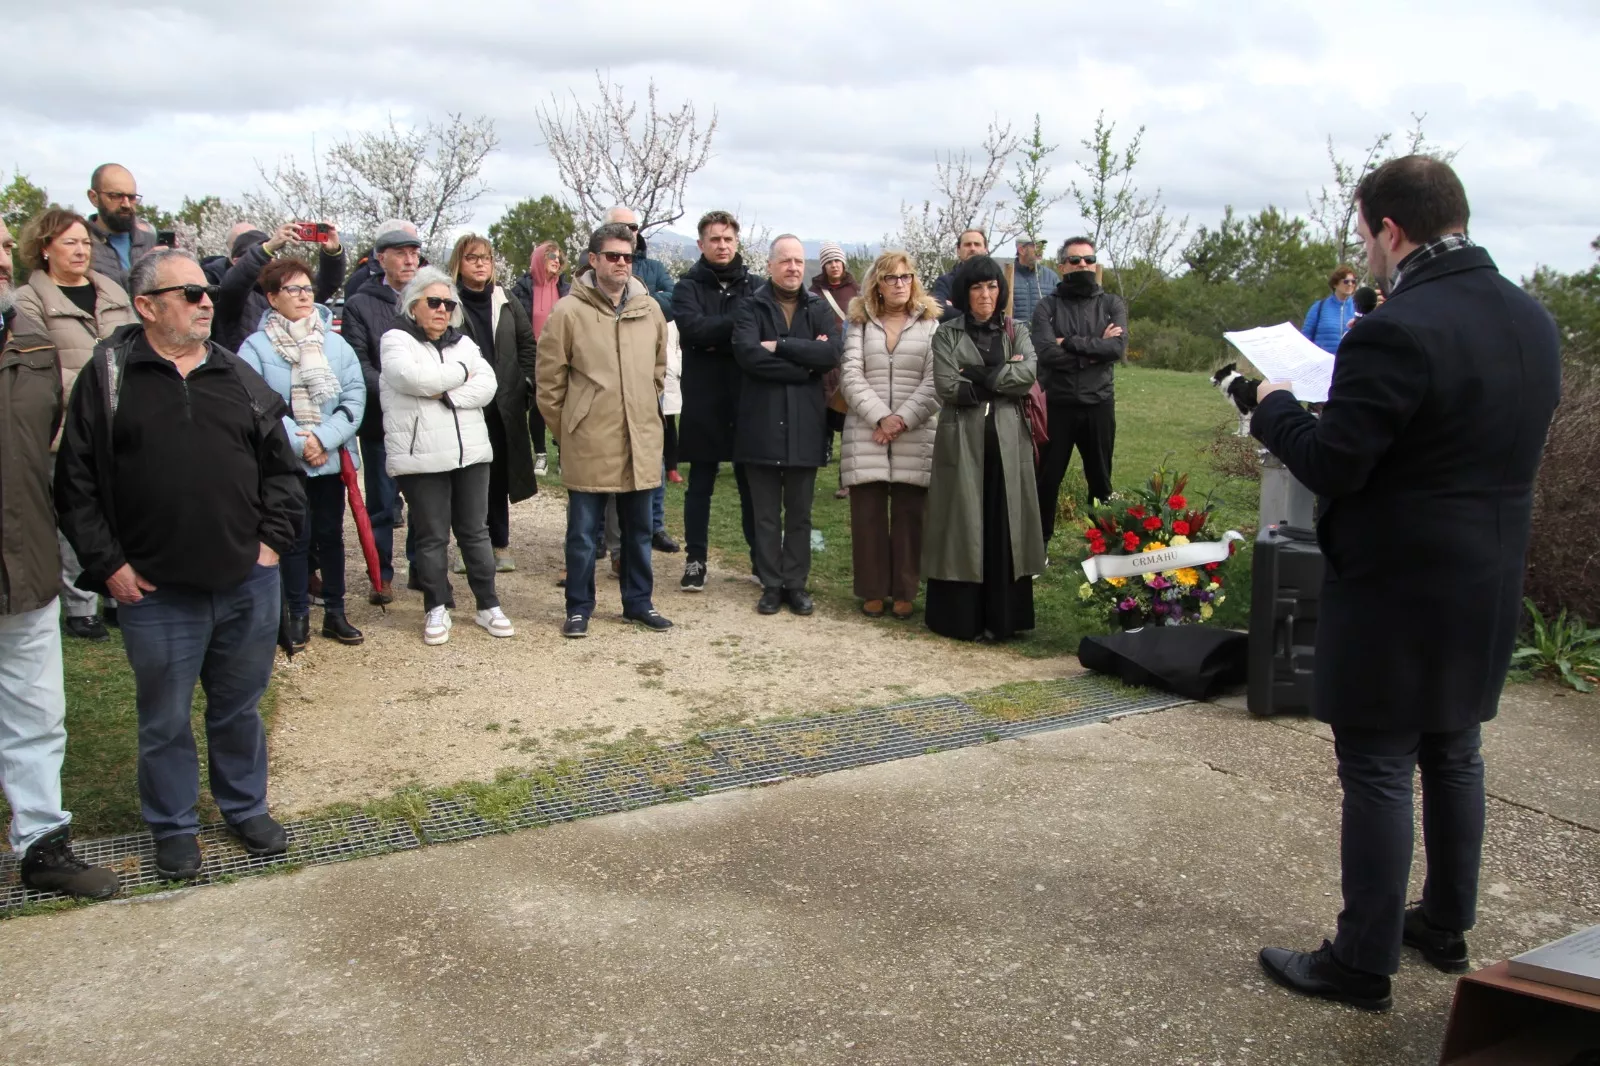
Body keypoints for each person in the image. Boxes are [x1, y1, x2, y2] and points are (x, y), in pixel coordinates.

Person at [1253, 156, 1562, 1012]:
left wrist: (1273, 401)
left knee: (1381, 764)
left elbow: (1335, 465)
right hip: (1488, 572)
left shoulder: (1397, 328)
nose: (1368, 253)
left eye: (1365, 237)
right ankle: (1445, 924)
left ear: (1392, 230)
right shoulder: (1531, 320)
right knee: (1455, 749)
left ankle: (1361, 962)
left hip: (1398, 582)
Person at [55, 248, 303, 880]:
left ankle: (244, 808)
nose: (205, 302)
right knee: (164, 719)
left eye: (206, 292)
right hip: (156, 594)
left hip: (246, 584)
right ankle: (172, 826)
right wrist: (108, 565)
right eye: (189, 293)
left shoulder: (236, 375)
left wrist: (270, 545)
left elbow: (282, 469)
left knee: (237, 708)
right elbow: (75, 482)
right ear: (146, 306)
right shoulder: (110, 376)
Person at [0, 219, 121, 899]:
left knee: (37, 712)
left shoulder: (31, 340)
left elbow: (52, 443)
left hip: (26, 557)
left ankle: (42, 844)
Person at [537, 223, 672, 638]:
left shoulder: (649, 309)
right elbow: (549, 383)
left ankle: (638, 603)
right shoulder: (568, 312)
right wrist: (572, 426)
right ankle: (578, 607)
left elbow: (658, 369)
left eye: (626, 257)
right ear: (592, 259)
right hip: (588, 439)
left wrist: (644, 409)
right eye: (611, 255)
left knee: (638, 531)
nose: (620, 263)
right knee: (582, 535)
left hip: (640, 436)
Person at [13, 208, 137, 641]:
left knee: (120, 510)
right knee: (75, 516)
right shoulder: (29, 300)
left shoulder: (114, 294)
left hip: (121, 423)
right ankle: (80, 605)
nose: (81, 249)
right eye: (70, 242)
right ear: (45, 248)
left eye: (85, 241)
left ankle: (117, 595)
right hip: (65, 427)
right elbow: (37, 369)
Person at [379, 267, 512, 646]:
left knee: (475, 532)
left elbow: (487, 385)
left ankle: (488, 604)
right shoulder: (396, 339)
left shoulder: (463, 342)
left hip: (470, 452)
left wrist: (448, 394)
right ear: (413, 304)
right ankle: (436, 605)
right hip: (421, 455)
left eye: (448, 303)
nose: (442, 310)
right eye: (433, 302)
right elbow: (411, 378)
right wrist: (459, 373)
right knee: (432, 536)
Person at [238, 257, 367, 648]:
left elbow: (354, 397)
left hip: (329, 459)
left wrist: (324, 439)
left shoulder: (335, 343)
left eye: (307, 288)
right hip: (285, 462)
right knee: (294, 537)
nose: (303, 296)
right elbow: (256, 403)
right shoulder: (256, 347)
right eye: (292, 289)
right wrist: (300, 441)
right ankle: (296, 613)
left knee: (330, 536)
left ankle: (335, 612)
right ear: (272, 298)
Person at [922, 255, 1044, 642]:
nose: (985, 294)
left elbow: (1027, 376)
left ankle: (1004, 618)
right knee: (962, 523)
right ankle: (961, 619)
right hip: (961, 443)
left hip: (1009, 443)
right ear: (964, 292)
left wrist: (976, 374)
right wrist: (996, 378)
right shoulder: (946, 334)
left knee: (1005, 523)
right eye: (977, 287)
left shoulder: (1017, 331)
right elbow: (948, 386)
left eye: (991, 286)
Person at [732, 234, 840, 616]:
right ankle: (770, 583)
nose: (793, 268)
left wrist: (778, 345)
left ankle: (795, 584)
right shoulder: (750, 307)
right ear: (770, 266)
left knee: (800, 513)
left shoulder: (818, 307)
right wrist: (804, 366)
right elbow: (747, 355)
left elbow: (830, 353)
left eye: (798, 261)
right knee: (764, 513)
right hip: (759, 425)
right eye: (785, 261)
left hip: (806, 426)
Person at [838, 251, 942, 619]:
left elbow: (936, 380)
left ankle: (904, 590)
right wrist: (882, 418)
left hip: (915, 434)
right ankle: (871, 589)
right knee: (867, 516)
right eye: (891, 278)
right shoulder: (859, 323)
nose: (900, 284)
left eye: (906, 276)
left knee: (910, 517)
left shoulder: (931, 325)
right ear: (877, 284)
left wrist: (902, 420)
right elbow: (850, 375)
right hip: (867, 432)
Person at [672, 210, 760, 592]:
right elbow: (692, 330)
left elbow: (754, 334)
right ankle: (695, 560)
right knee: (700, 484)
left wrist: (716, 335)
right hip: (703, 397)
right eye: (714, 239)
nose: (721, 245)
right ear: (701, 244)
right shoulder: (686, 286)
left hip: (746, 397)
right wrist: (735, 325)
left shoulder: (757, 286)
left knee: (750, 483)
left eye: (727, 239)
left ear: (736, 242)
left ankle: (761, 559)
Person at [341, 219, 422, 604]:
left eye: (414, 253)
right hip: (381, 422)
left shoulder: (431, 297)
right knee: (381, 505)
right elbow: (359, 363)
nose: (409, 260)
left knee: (426, 504)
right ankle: (381, 575)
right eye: (401, 253)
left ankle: (424, 571)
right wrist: (401, 391)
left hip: (425, 420)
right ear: (381, 257)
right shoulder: (361, 303)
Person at [447, 234, 538, 572]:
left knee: (498, 477)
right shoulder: (448, 301)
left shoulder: (506, 298)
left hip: (503, 404)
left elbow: (527, 342)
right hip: (465, 403)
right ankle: (466, 545)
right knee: (466, 476)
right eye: (473, 258)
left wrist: (526, 382)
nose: (481, 264)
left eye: (486, 257)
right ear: (460, 262)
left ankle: (500, 543)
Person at [1031, 236, 1127, 544]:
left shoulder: (1111, 304)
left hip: (1098, 404)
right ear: (1062, 267)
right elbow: (1046, 353)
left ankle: (1103, 546)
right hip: (1056, 405)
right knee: (1047, 479)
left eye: (1088, 259)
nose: (1082, 265)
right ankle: (1039, 544)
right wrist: (1094, 348)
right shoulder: (1047, 306)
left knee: (1100, 480)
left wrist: (1069, 343)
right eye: (1075, 260)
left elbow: (1117, 348)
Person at [213, 221, 346, 353]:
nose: (269, 262)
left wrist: (332, 254)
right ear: (237, 262)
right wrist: (267, 248)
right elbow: (233, 285)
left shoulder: (284, 290)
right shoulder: (231, 295)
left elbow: (325, 285)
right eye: (264, 256)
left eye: (271, 255)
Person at [512, 241, 570, 477]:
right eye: (550, 256)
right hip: (535, 356)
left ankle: (563, 454)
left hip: (562, 355)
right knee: (539, 405)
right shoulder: (522, 290)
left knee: (565, 405)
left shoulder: (566, 289)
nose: (556, 260)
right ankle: (541, 455)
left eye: (558, 257)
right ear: (538, 258)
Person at [810, 241, 859, 495]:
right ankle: (821, 453)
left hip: (848, 358)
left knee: (849, 420)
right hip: (822, 360)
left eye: (837, 260)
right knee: (822, 414)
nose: (834, 265)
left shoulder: (856, 290)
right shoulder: (813, 292)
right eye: (829, 261)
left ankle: (846, 479)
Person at [83, 164, 156, 290]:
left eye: (132, 197)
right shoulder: (81, 246)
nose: (126, 204)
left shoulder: (151, 243)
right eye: (116, 196)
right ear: (94, 197)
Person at [603, 206, 675, 320]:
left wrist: (636, 301)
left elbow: (676, 301)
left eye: (632, 227)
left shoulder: (655, 268)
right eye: (621, 227)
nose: (628, 231)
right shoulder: (595, 264)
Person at [1300, 264, 1360, 354]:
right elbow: (1305, 339)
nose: (1350, 284)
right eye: (1346, 281)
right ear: (1335, 284)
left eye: (1353, 281)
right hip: (1323, 363)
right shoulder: (1319, 307)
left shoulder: (1358, 308)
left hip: (1348, 364)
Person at [931, 229, 990, 310]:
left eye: (977, 244)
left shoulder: (995, 280)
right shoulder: (945, 282)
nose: (972, 248)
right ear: (958, 250)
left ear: (985, 250)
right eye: (967, 245)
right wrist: (982, 312)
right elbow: (940, 310)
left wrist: (955, 309)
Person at [1009, 236, 1059, 326]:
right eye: (1036, 246)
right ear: (1021, 250)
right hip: (1015, 337)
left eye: (1042, 247)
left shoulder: (1052, 277)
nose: (1040, 251)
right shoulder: (1007, 276)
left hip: (1044, 337)